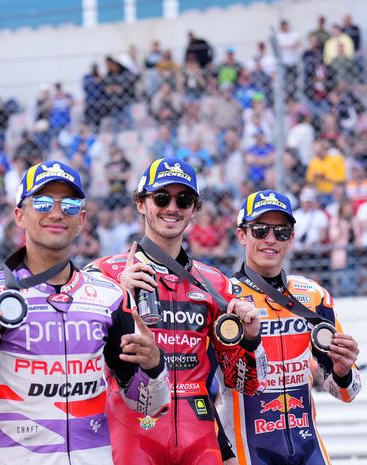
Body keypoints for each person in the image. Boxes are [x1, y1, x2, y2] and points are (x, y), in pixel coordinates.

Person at [0, 161, 171, 465]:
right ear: (19, 216)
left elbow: (149, 406)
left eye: (69, 204)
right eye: (41, 202)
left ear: (82, 220)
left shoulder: (110, 295)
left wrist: (155, 366)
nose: (56, 213)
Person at [86, 157, 267, 465]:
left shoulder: (215, 283)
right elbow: (77, 358)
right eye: (161, 198)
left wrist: (250, 340)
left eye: (183, 200)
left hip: (198, 432)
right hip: (130, 428)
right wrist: (116, 297)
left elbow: (245, 383)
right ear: (141, 204)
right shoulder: (103, 274)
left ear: (194, 209)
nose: (172, 207)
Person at [221, 189, 362, 465]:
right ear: (242, 235)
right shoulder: (223, 296)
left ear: (291, 239)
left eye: (281, 232)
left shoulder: (313, 296)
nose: (270, 239)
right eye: (260, 230)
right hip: (248, 453)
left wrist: (343, 371)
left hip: (308, 449)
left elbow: (347, 392)